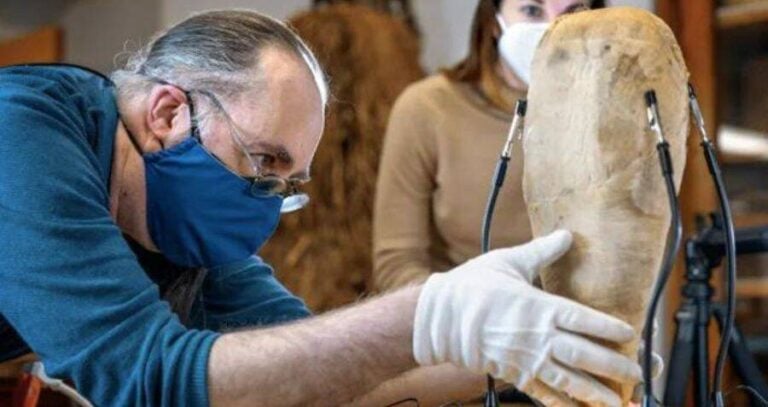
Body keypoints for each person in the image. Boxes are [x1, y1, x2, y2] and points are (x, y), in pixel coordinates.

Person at [0, 9, 639, 407]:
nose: (268, 201)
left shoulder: (185, 225)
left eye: (289, 180)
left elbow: (321, 376)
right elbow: (146, 378)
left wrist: (517, 353)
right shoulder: (20, 133)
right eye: (265, 161)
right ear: (168, 113)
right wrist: (431, 310)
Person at [373, 0, 604, 289]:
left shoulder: (610, 113)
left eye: (573, 13)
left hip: (572, 324)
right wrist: (469, 311)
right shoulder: (428, 108)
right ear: (494, 22)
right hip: (461, 325)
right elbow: (397, 265)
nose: (552, 29)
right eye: (532, 11)